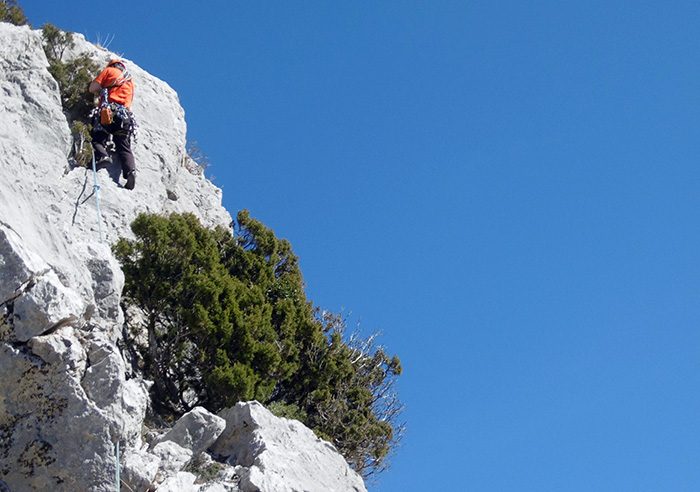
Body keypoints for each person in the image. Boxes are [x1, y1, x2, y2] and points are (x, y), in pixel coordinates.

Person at [88, 59, 137, 190]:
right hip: (125, 118)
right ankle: (130, 171)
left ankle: (103, 156)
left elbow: (92, 88)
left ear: (112, 65)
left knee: (98, 136)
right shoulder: (130, 82)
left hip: (109, 112)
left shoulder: (109, 71)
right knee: (123, 145)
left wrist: (101, 89)